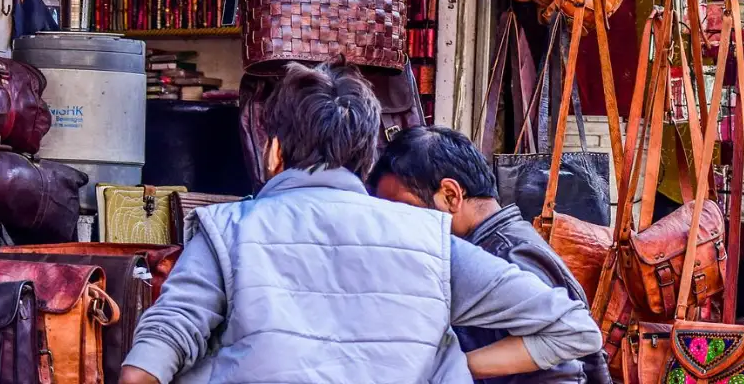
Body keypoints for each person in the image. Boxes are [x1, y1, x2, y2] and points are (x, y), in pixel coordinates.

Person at [119, 64, 602, 384]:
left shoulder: (227, 230)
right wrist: (448, 368)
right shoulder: (430, 241)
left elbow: (164, 341)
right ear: (365, 159)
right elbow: (575, 331)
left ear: (274, 153)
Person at [371, 126, 612, 384]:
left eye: (404, 209)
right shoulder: (499, 243)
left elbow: (566, 364)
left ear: (451, 195)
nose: (397, 224)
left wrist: (450, 367)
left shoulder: (507, 253)